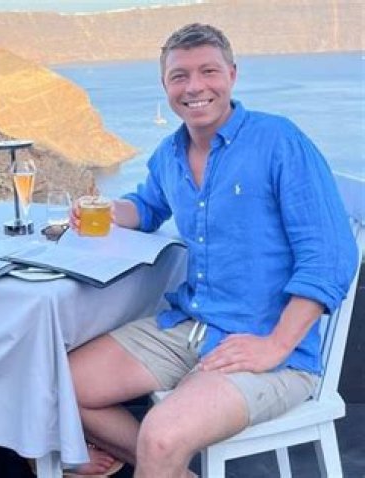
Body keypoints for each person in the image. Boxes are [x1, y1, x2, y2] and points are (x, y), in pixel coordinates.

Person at [67, 23, 359, 477]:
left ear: (232, 75)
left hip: (271, 347)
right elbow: (148, 206)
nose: (194, 86)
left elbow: (331, 258)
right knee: (58, 386)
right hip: (192, 326)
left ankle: (160, 460)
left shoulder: (279, 141)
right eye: (179, 76)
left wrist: (274, 346)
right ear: (165, 85)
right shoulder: (170, 154)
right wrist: (105, 209)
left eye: (208, 71)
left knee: (161, 435)